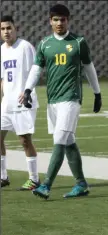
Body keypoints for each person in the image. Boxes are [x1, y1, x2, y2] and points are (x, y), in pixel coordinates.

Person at [20, 4, 102, 200]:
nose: (59, 23)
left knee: (59, 140)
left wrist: (97, 93)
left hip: (71, 99)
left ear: (68, 20)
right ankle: (81, 184)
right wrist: (28, 89)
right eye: (55, 20)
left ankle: (46, 185)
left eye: (62, 19)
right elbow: (36, 69)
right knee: (68, 141)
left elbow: (89, 68)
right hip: (53, 101)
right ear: (50, 21)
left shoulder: (78, 42)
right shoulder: (44, 43)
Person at [1, 15, 40, 190]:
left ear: (16, 28)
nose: (6, 32)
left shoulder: (25, 47)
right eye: (2, 29)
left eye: (9, 28)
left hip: (24, 102)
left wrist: (28, 92)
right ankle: (3, 177)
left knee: (24, 140)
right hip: (7, 103)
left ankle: (34, 179)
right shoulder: (2, 50)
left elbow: (36, 71)